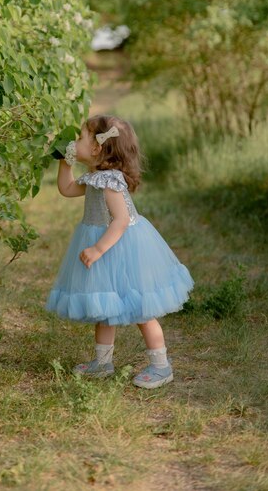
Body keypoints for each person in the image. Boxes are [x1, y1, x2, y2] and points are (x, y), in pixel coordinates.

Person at [46, 114, 194, 388]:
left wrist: (98, 249)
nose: (75, 142)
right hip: (103, 245)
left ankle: (161, 365)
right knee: (105, 304)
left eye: (80, 138)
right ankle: (102, 362)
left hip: (120, 247)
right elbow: (66, 189)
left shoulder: (110, 182)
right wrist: (64, 162)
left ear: (97, 148)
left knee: (140, 308)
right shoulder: (94, 177)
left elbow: (122, 220)